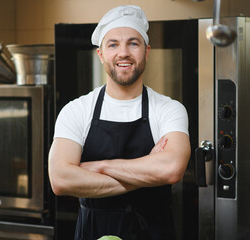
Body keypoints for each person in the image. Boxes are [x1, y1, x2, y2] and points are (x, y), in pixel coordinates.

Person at [48, 5, 191, 240]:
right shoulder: (76, 110)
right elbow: (61, 179)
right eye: (113, 44)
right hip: (93, 232)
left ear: (147, 51)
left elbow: (171, 169)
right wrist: (147, 174)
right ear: (101, 54)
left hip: (153, 232)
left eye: (133, 43)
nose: (123, 52)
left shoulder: (169, 109)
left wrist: (97, 166)